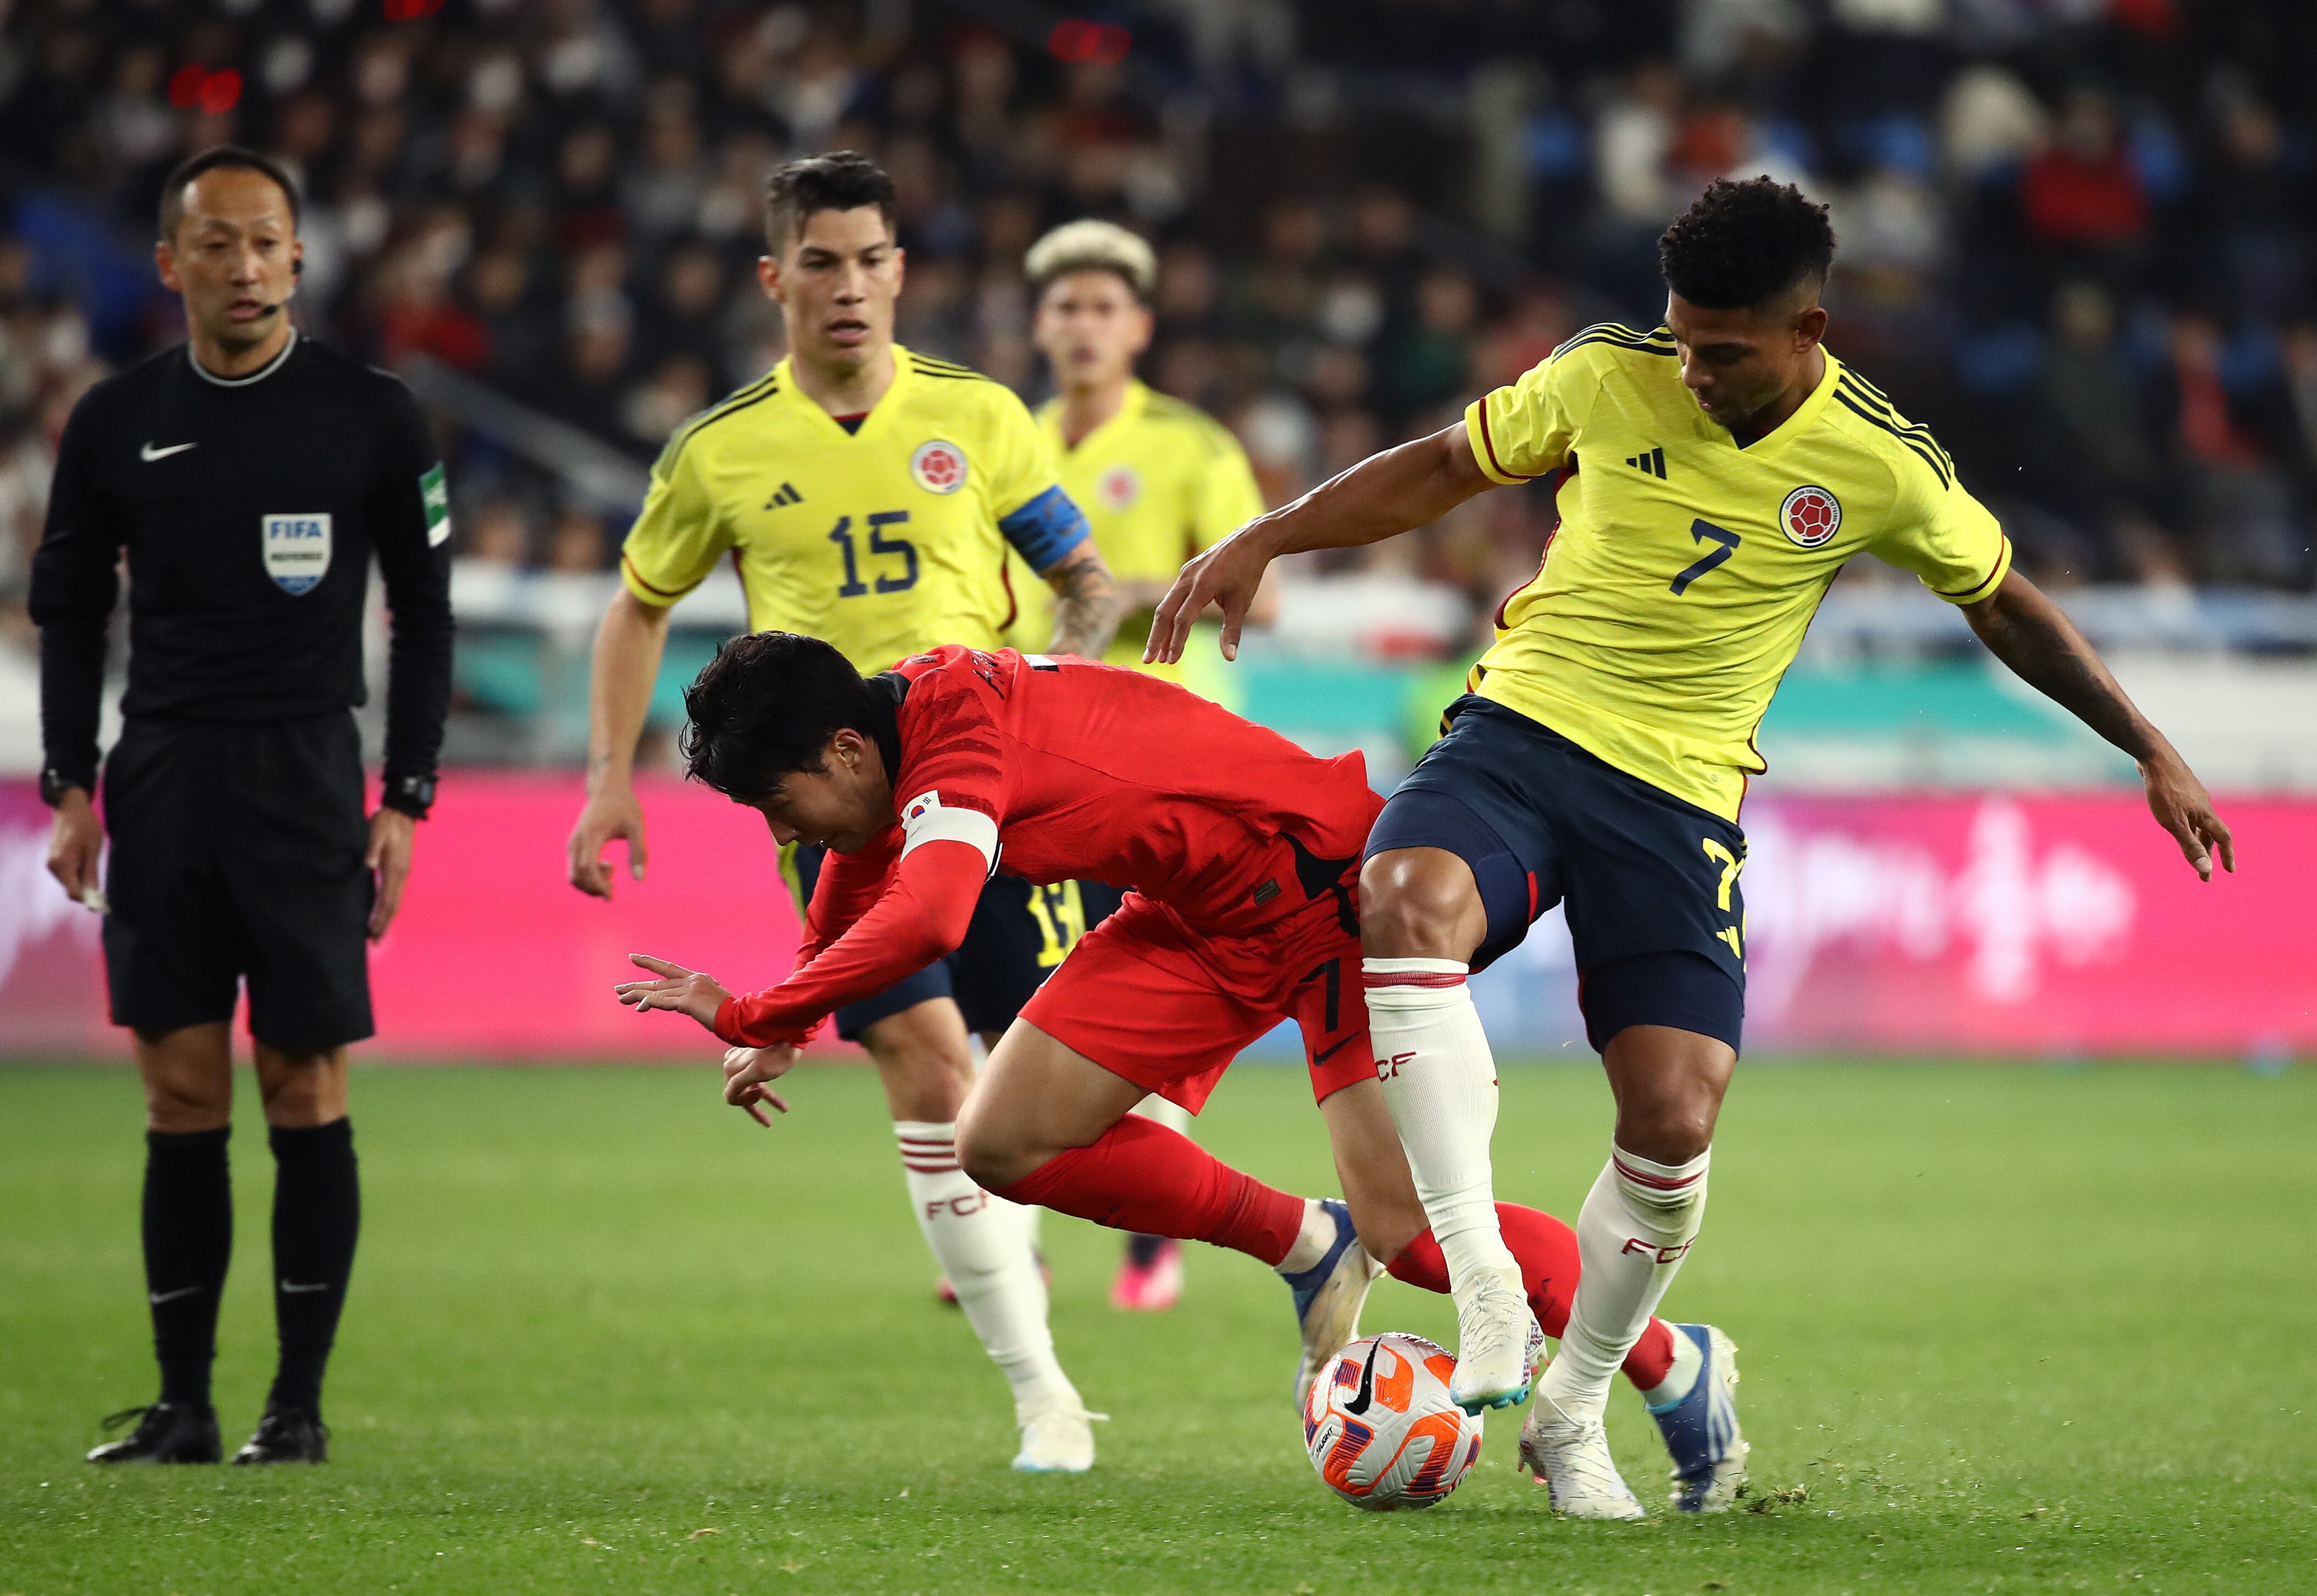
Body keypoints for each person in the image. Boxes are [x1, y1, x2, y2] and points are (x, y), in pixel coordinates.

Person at [1147, 177, 2234, 1518]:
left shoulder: (1880, 462)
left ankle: (1576, 1405)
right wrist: (1268, 531)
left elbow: (2003, 602)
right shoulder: (1609, 375)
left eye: (1724, 351)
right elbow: (1443, 464)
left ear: (1808, 331)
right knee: (1401, 898)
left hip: (1675, 800)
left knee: (1673, 1121)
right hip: (1523, 731)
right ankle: (1486, 1283)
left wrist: (2149, 746)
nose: (1694, 371)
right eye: (1683, 339)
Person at [612, 634, 1749, 1509]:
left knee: (1411, 1231)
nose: (785, 826)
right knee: (998, 1140)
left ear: (845, 752)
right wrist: (796, 1015)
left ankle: (1669, 1364)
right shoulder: (902, 740)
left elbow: (931, 911)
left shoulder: (956, 740)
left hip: (1322, 894)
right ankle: (1308, 1241)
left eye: (777, 801)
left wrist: (756, 1007)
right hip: (1196, 916)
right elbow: (861, 868)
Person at [563, 152, 1121, 1473]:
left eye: (873, 259)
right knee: (929, 1070)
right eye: (821, 261)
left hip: (995, 796)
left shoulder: (979, 417)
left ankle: (1269, 1241)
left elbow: (1083, 579)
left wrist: (1063, 673)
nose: (851, 286)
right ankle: (1044, 1393)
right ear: (776, 278)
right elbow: (638, 601)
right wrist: (607, 775)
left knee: (1054, 1101)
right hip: (831, 824)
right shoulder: (722, 450)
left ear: (901, 272)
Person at [32, 146, 454, 1466]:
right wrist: (67, 778)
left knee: (304, 1080)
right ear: (172, 265)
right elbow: (68, 608)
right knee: (178, 1092)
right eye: (215, 242)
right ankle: (183, 1403)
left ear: (300, 258)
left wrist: (410, 794)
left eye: (266, 240)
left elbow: (425, 611)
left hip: (306, 775)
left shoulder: (373, 415)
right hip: (159, 770)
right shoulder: (112, 420)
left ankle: (298, 1406)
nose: (245, 264)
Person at [1013, 217, 1281, 1311]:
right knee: (1044, 989)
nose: (1083, 327)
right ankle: (1024, 1219)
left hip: (1179, 764)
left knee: (1160, 987)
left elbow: (1260, 585)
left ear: (1141, 327)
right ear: (1039, 324)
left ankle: (1146, 1224)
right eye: (1066, 307)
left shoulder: (1193, 445)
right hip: (1050, 754)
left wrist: (1119, 595)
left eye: (1102, 309)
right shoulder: (1010, 440)